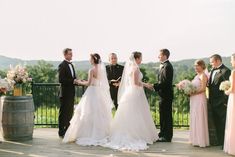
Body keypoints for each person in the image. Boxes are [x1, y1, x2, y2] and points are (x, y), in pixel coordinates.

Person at [105, 52, 158, 151]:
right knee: (136, 113)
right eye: (141, 58)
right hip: (135, 92)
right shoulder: (135, 68)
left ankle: (134, 132)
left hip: (132, 92)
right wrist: (146, 85)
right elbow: (135, 83)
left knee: (133, 113)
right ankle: (135, 134)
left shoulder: (130, 68)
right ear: (137, 59)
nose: (141, 60)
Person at [62, 53, 113, 146]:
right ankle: (101, 133)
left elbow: (89, 83)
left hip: (92, 92)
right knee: (99, 113)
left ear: (93, 60)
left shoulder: (92, 70)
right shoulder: (101, 69)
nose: (89, 60)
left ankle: (88, 134)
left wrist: (79, 82)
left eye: (90, 59)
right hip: (99, 92)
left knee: (87, 112)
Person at [208, 54, 231, 146]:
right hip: (212, 102)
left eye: (212, 62)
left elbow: (228, 86)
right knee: (216, 123)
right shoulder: (212, 70)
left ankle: (225, 143)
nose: (211, 64)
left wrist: (225, 102)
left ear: (217, 61)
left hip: (221, 103)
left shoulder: (226, 71)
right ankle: (220, 142)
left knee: (223, 124)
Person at [153, 49, 174, 142]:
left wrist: (154, 86)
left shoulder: (167, 66)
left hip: (166, 95)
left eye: (160, 55)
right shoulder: (164, 65)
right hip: (163, 95)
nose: (158, 57)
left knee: (166, 116)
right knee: (163, 115)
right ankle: (162, 133)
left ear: (165, 56)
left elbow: (166, 82)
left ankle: (167, 136)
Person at [189, 60, 209, 147]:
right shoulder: (196, 76)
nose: (195, 67)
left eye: (197, 66)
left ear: (202, 66)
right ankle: (195, 139)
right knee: (195, 117)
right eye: (195, 66)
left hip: (200, 99)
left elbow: (203, 88)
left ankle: (201, 140)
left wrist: (193, 92)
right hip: (194, 99)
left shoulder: (203, 75)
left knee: (199, 118)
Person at [58, 48, 76, 138]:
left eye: (71, 54)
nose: (71, 55)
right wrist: (73, 81)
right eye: (70, 54)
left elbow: (73, 78)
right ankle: (61, 131)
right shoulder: (62, 65)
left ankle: (67, 130)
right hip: (64, 93)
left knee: (70, 112)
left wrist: (77, 81)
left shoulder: (71, 65)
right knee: (63, 112)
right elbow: (61, 79)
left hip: (71, 93)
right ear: (65, 55)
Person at [224, 53, 235, 155]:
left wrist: (226, 91)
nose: (231, 62)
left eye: (232, 60)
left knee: (233, 121)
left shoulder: (234, 72)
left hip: (233, 98)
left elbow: (232, 89)